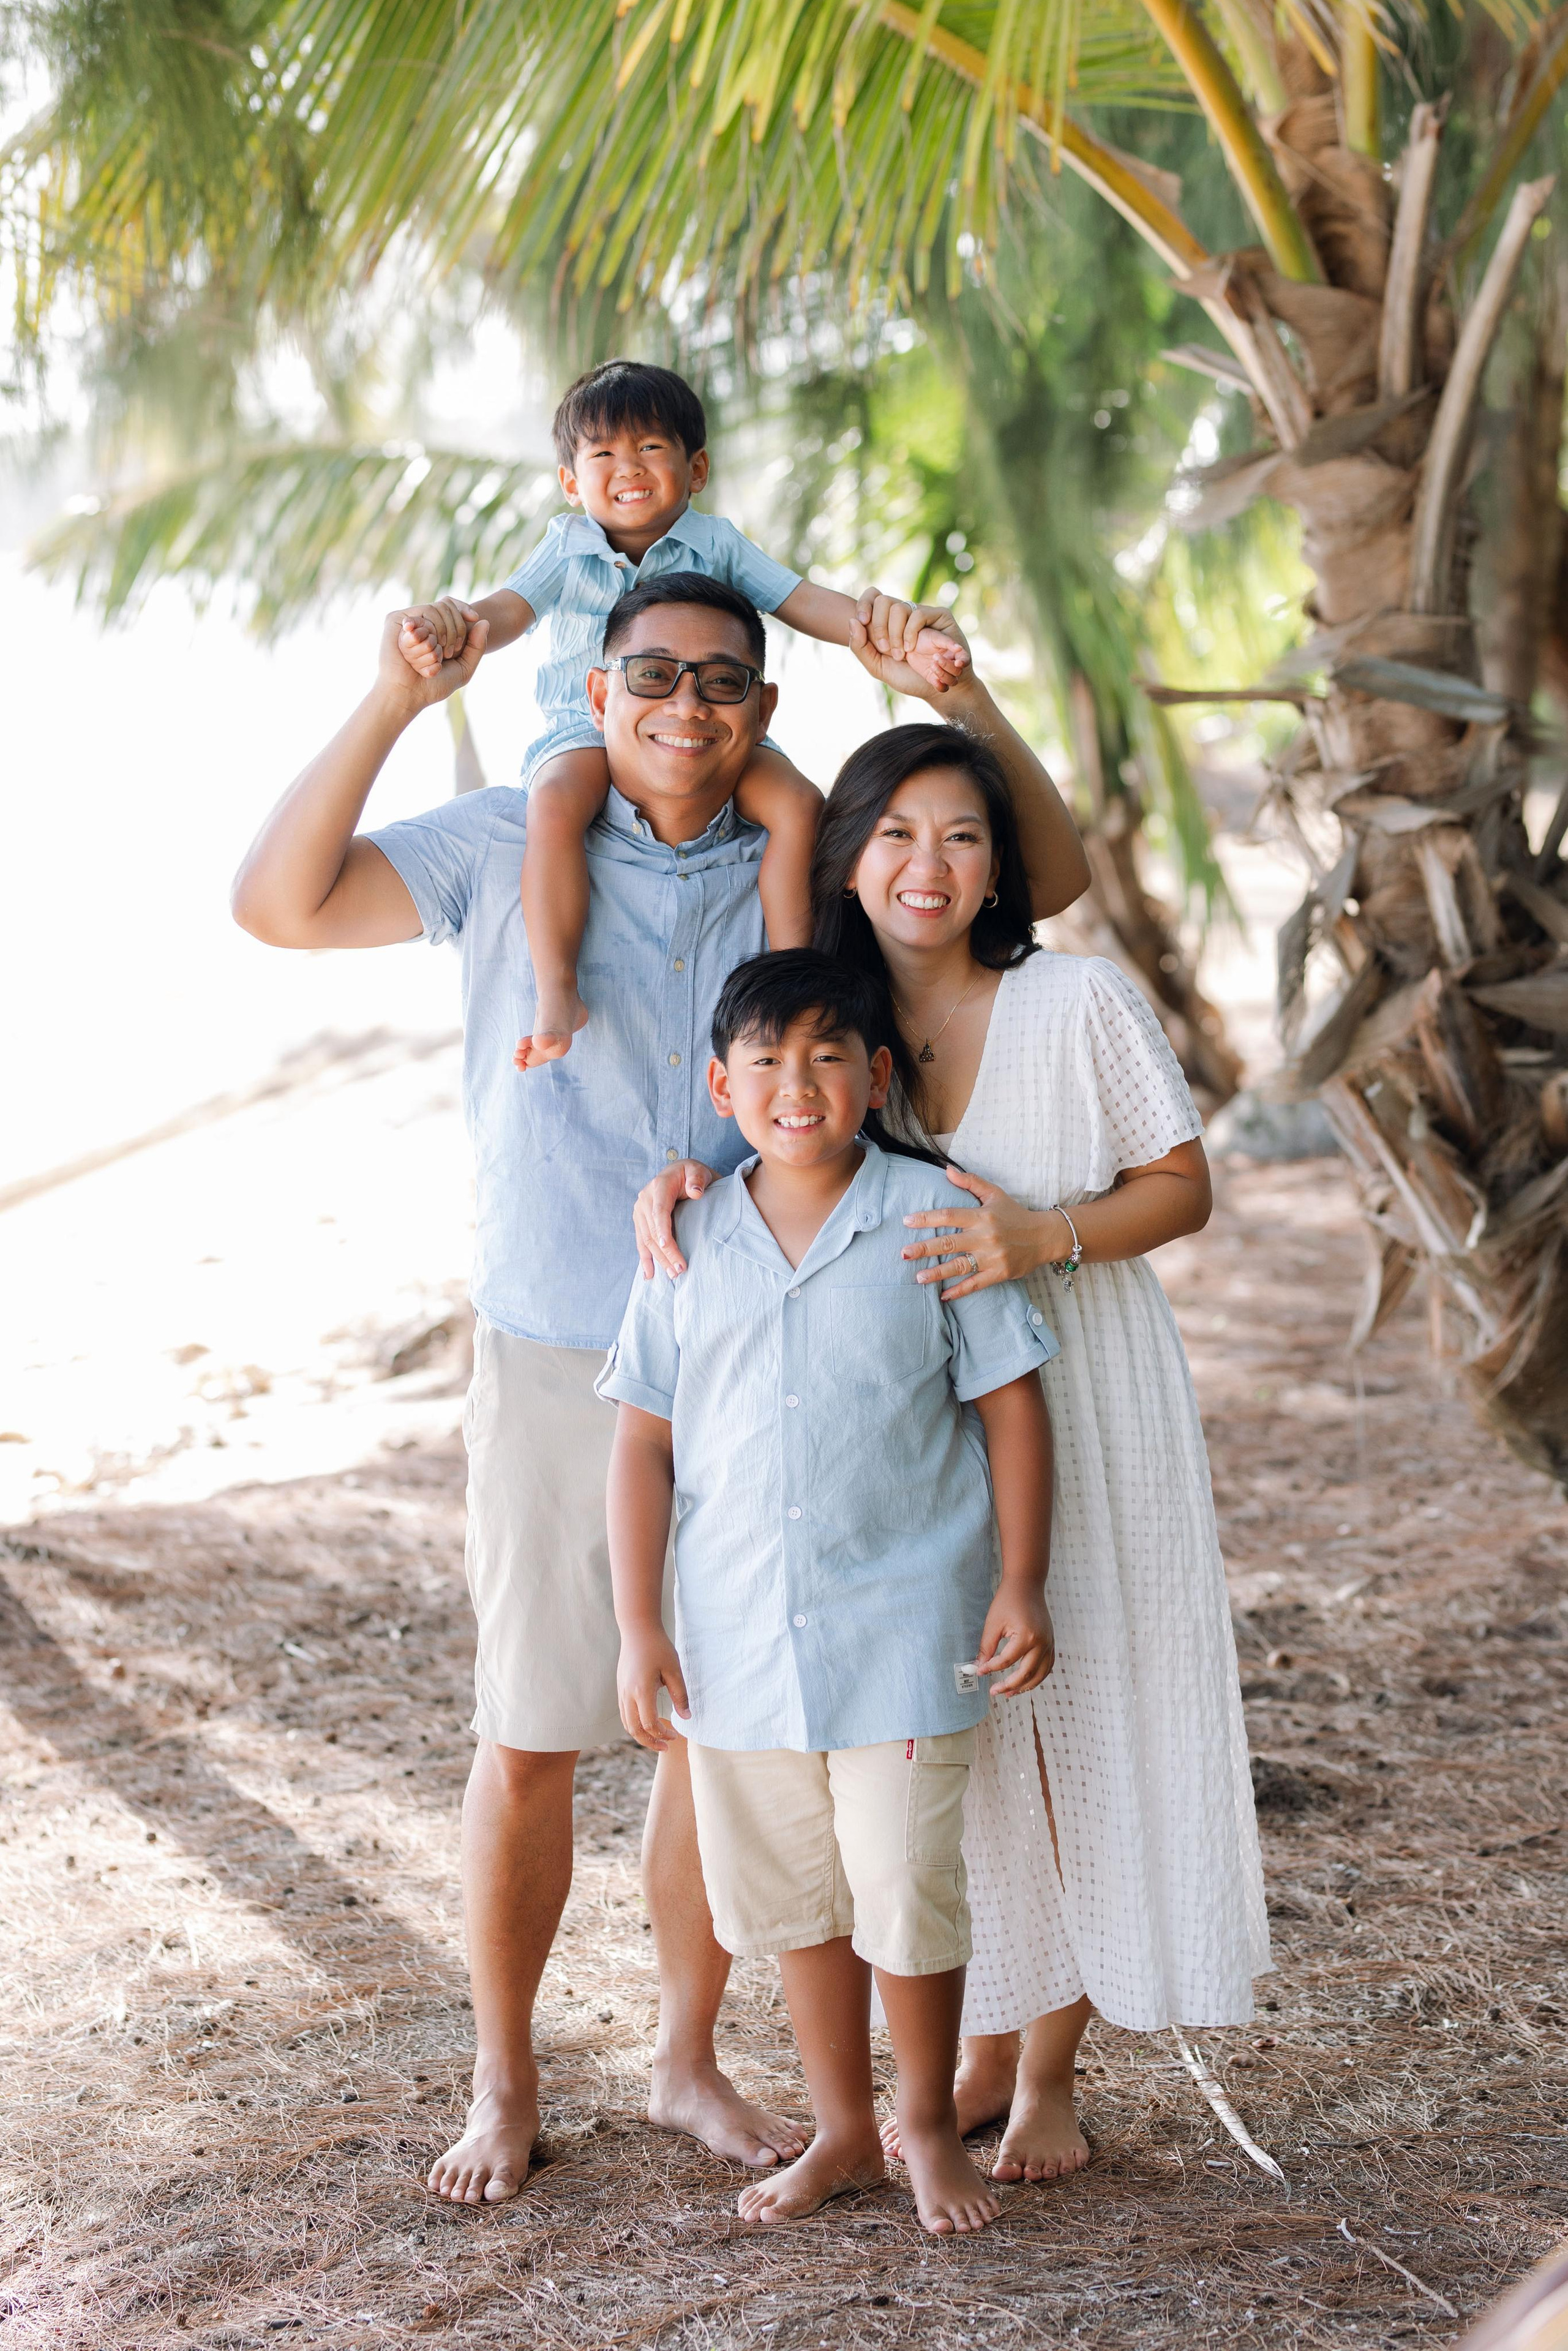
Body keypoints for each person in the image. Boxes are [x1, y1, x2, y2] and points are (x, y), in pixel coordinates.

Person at [229, 567, 1090, 2206]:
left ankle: (689, 2055)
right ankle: (506, 2074)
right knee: (536, 1723)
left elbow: (1028, 876)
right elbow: (277, 901)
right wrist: (400, 698)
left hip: (798, 1332)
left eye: (719, 679)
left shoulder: (804, 860)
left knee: (717, 1727)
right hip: (569, 1337)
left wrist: (962, 691)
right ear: (597, 687)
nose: (681, 704)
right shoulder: (505, 839)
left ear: (761, 705)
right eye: (649, 675)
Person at [636, 672, 1270, 2191]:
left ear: (999, 865)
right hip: (912, 1435)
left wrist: (1041, 1235)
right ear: (851, 856)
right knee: (956, 1756)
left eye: (965, 835)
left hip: (1085, 1389)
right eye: (898, 833)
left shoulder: (1075, 1000)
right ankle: (974, 2042)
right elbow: (767, 1156)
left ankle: (1044, 2069)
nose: (930, 863)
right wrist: (667, 1181)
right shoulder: (837, 1029)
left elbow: (1180, 1188)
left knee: (1074, 1726)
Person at [601, 949, 1058, 2233]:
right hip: (740, 1642)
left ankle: (921, 2123)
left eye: (824, 1055)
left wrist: (1018, 1577)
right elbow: (641, 1438)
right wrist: (640, 1624)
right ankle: (843, 2128)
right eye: (764, 1058)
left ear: (873, 1075)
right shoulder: (683, 1237)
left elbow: (1008, 1405)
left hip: (906, 1631)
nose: (794, 1083)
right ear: (719, 1082)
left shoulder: (929, 1214)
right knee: (795, 1898)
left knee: (904, 1885)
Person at [394, 358, 967, 1067]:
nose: (627, 466)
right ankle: (556, 987)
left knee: (794, 801)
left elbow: (801, 599)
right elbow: (507, 611)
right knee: (552, 807)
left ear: (695, 469)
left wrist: (897, 634)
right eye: (602, 453)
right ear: (572, 482)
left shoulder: (717, 543)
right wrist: (451, 625)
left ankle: (794, 980)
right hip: (585, 729)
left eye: (650, 447)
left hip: (708, 727)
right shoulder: (563, 546)